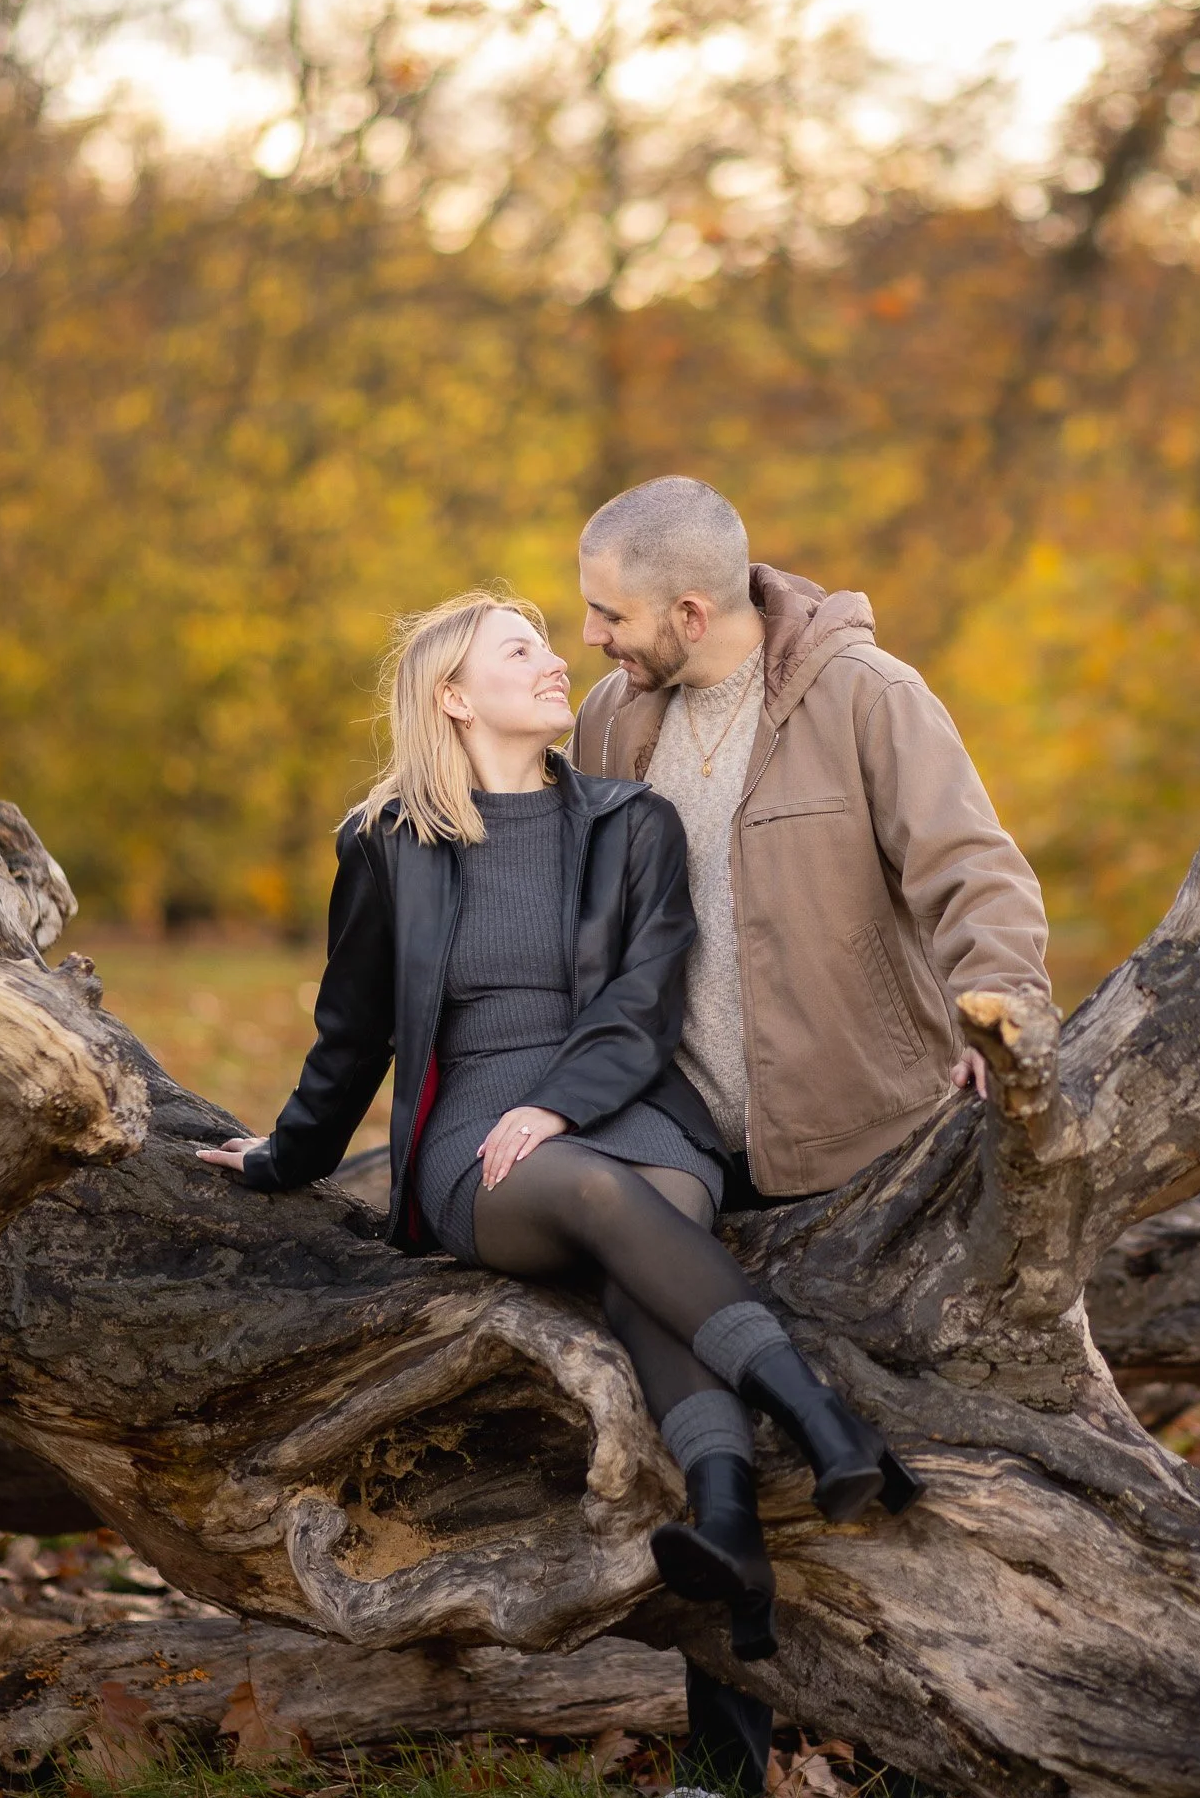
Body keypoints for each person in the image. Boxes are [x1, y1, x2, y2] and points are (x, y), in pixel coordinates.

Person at [198, 588, 919, 1669]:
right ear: (452, 696)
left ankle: (725, 1515)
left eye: (548, 644)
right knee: (594, 1195)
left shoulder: (631, 823)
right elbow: (349, 1037)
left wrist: (562, 1103)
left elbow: (643, 1006)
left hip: (627, 1105)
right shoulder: (388, 842)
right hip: (480, 1133)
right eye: (521, 649)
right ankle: (821, 1422)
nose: (554, 663)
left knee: (653, 1246)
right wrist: (286, 1152)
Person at [574, 480, 1050, 1798]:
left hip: (865, 1135)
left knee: (883, 1458)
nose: (594, 638)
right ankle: (726, 1767)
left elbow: (975, 871)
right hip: (683, 1142)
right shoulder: (617, 718)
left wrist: (998, 1013)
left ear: (686, 604)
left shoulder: (866, 695)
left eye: (609, 612)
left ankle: (914, 1776)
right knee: (712, 1442)